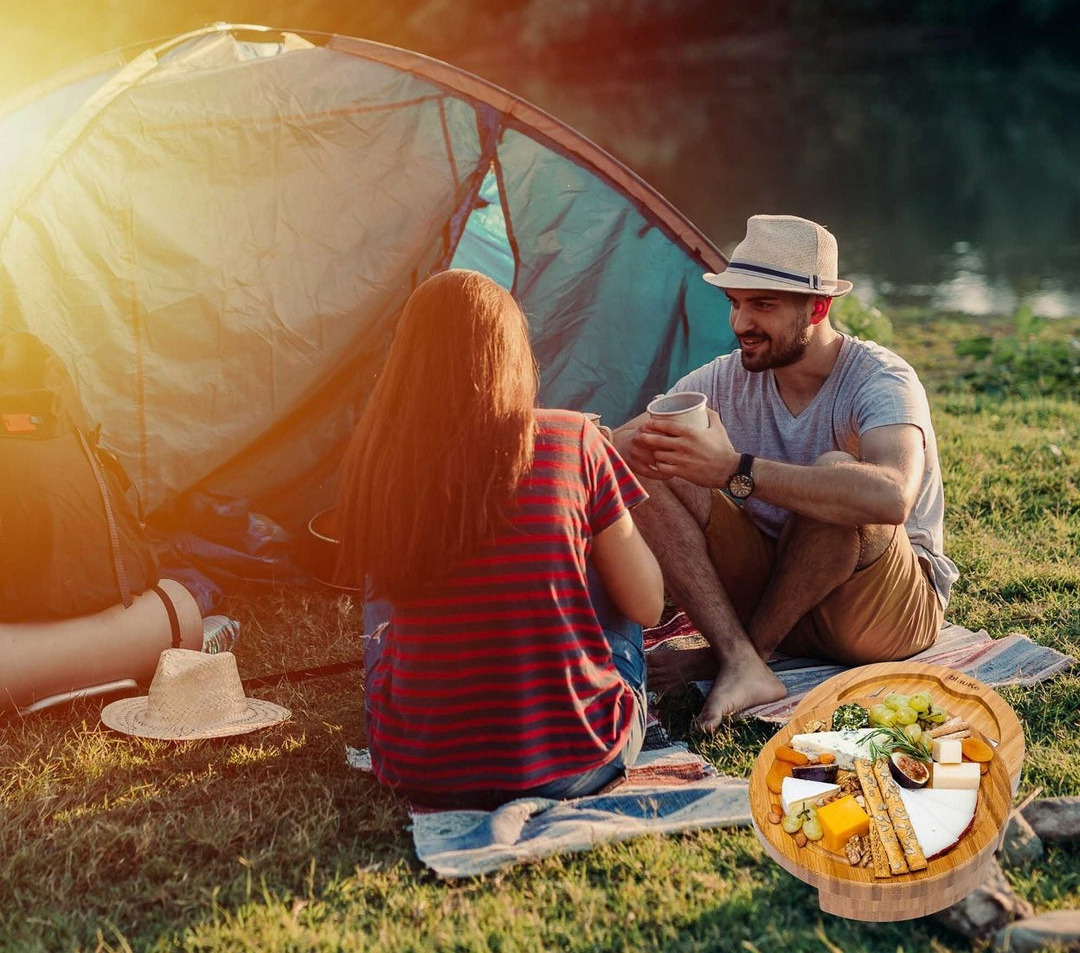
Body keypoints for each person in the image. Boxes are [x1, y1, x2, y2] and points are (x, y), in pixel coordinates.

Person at [615, 215, 958, 730]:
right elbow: (611, 452)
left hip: (880, 611)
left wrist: (735, 469)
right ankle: (741, 658)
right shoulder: (724, 378)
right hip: (779, 588)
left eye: (763, 305)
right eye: (736, 303)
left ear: (818, 307)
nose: (739, 324)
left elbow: (892, 498)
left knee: (840, 477)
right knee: (650, 463)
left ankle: (745, 653)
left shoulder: (880, 379)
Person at [336, 269, 663, 808]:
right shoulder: (575, 437)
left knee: (384, 588)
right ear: (512, 353)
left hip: (419, 765)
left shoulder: (380, 459)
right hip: (578, 757)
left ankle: (434, 692)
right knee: (609, 559)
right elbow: (648, 605)